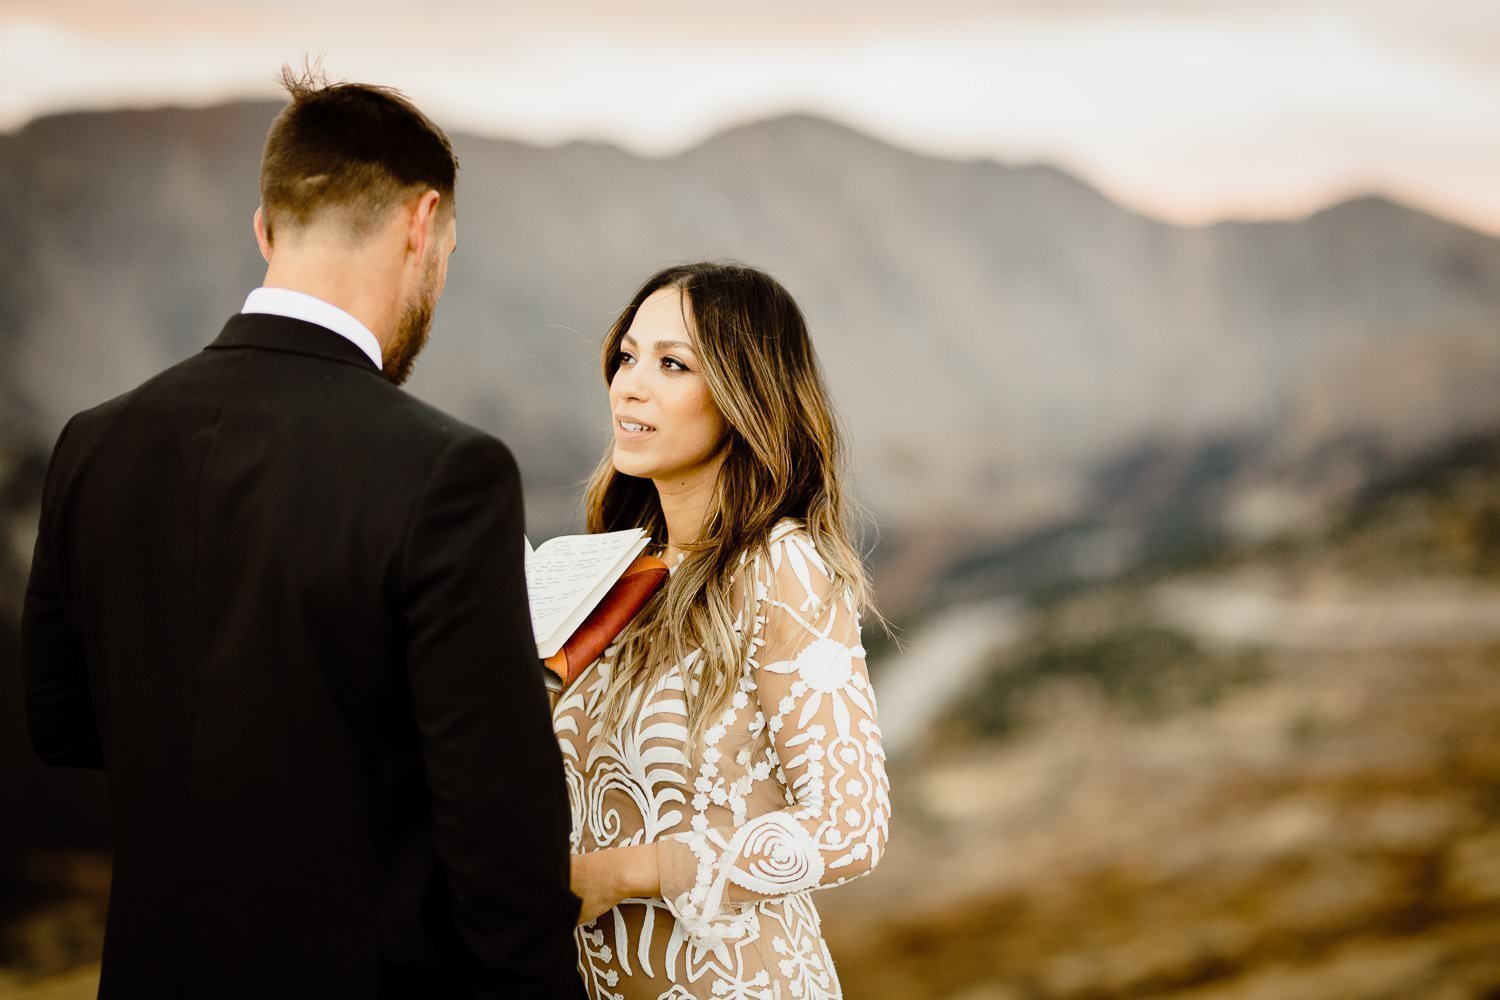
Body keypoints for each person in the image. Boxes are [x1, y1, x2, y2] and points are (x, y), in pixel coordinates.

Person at [20, 68, 583, 998]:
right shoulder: (446, 472)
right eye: (447, 249)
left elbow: (63, 721)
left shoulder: (95, 441)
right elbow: (499, 850)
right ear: (422, 224)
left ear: (264, 229)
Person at [554, 262, 891, 998]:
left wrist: (630, 873)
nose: (629, 385)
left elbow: (850, 824)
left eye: (672, 364)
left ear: (745, 395)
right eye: (627, 356)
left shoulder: (781, 568)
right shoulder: (608, 576)